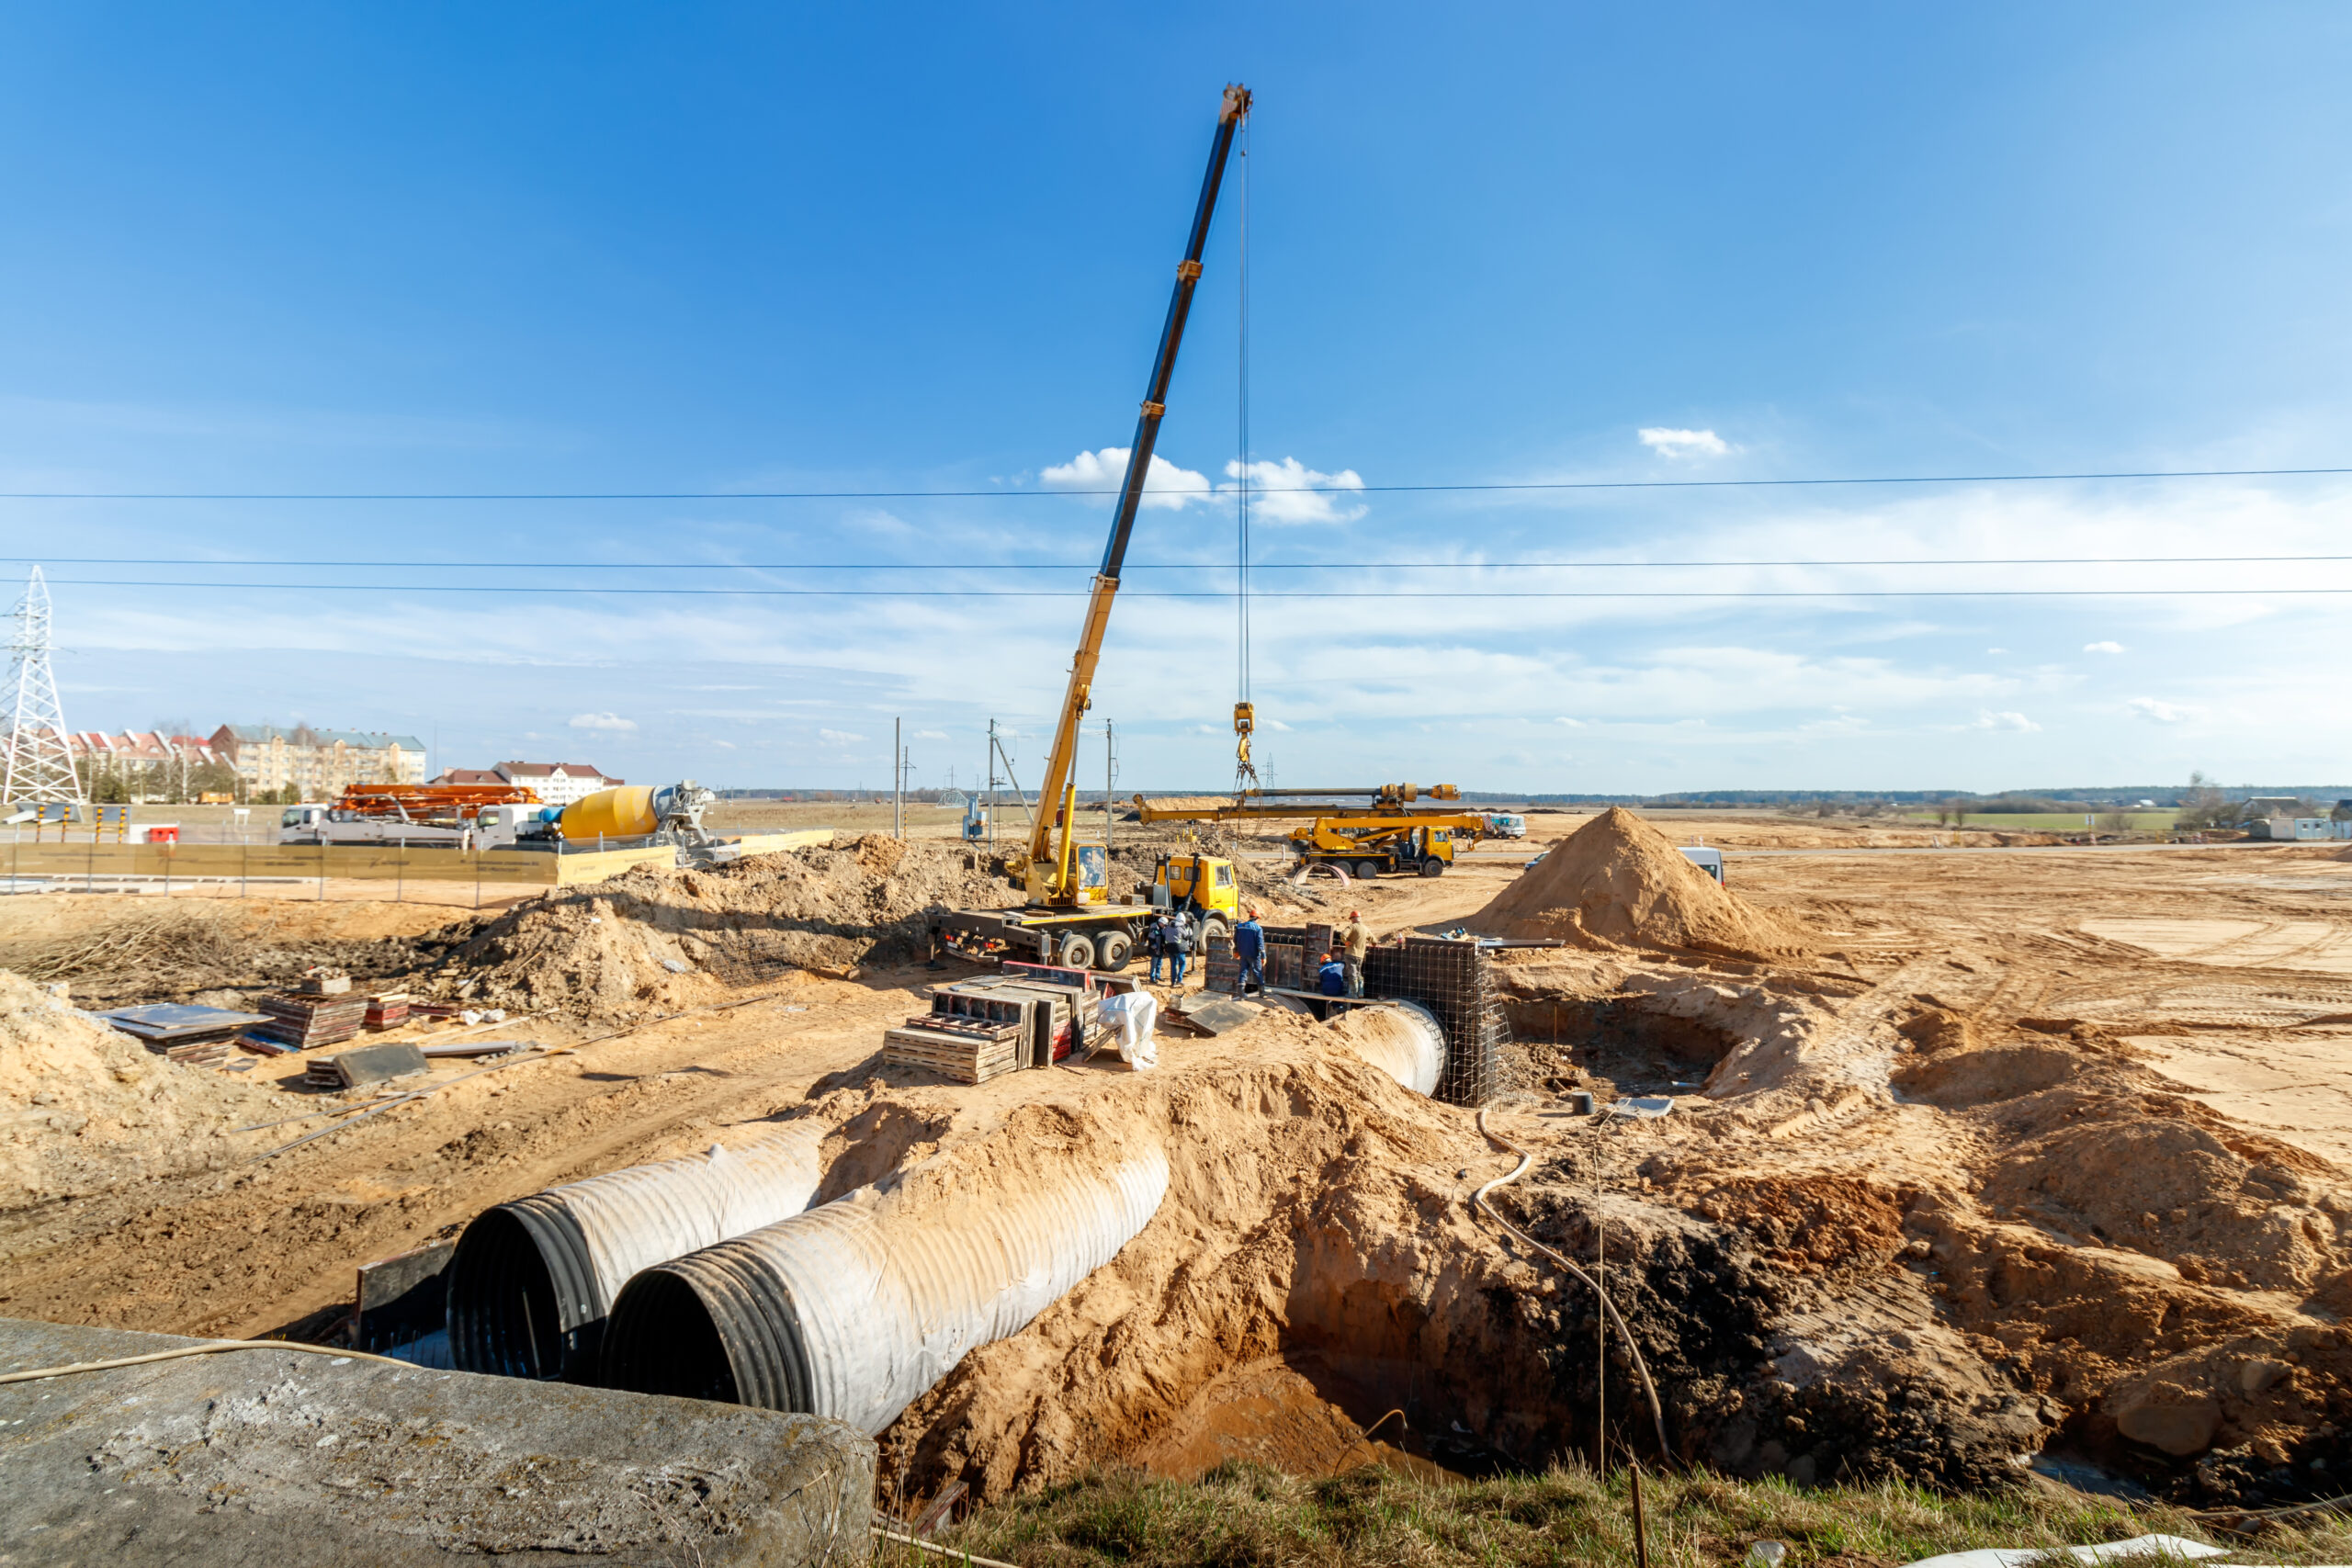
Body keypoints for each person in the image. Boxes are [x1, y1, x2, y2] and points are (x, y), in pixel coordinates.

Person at [1232, 907, 1265, 995]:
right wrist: (1263, 956)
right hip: (1254, 954)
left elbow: (1235, 940)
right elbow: (1260, 944)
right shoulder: (1258, 929)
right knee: (1258, 971)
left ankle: (1241, 992)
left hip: (1243, 953)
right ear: (1257, 918)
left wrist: (1236, 951)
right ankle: (1262, 992)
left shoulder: (1240, 927)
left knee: (1243, 971)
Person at [1339, 910, 1370, 998]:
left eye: (1351, 918)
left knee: (1352, 974)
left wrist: (1346, 942)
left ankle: (1353, 994)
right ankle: (1361, 993)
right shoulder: (1365, 928)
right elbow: (1373, 939)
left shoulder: (1351, 927)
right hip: (1360, 955)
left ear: (1353, 918)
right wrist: (1374, 944)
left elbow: (1343, 935)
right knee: (1358, 973)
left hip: (1350, 954)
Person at [1314, 950, 1346, 1021]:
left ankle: (1334, 1006)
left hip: (1327, 992)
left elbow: (1321, 981)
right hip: (1338, 991)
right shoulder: (1340, 964)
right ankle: (1340, 1007)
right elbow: (1344, 964)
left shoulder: (1321, 969)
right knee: (1338, 991)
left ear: (1322, 962)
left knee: (1330, 994)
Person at [1166, 908, 1193, 987]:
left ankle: (1173, 982)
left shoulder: (1168, 926)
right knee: (1183, 963)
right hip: (1179, 948)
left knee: (1173, 965)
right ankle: (1179, 980)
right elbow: (1186, 936)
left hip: (1169, 948)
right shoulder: (1181, 927)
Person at [1146, 910, 1168, 984]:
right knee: (1154, 964)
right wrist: (1155, 948)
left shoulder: (1162, 929)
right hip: (1155, 950)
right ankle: (1152, 978)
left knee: (1159, 963)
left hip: (1160, 949)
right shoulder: (1154, 929)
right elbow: (1151, 940)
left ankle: (1158, 976)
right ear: (1160, 923)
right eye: (1164, 925)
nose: (1164, 926)